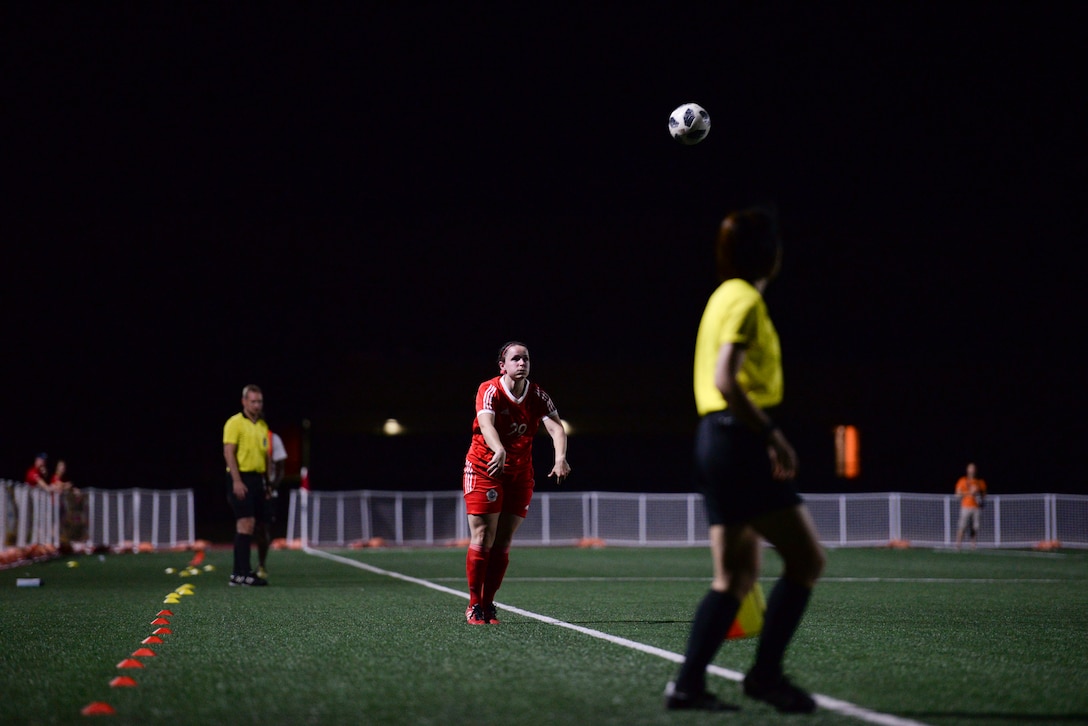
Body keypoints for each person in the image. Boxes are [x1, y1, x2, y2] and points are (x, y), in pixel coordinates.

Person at [665, 208, 826, 714]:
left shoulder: (720, 297)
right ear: (768, 254)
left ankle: (688, 687)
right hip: (738, 439)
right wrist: (773, 434)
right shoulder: (747, 299)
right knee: (806, 560)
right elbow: (726, 378)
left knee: (735, 577)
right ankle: (765, 676)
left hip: (714, 439)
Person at [462, 341, 570, 625]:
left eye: (526, 359)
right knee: (484, 535)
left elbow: (557, 427)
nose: (522, 363)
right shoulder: (490, 390)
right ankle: (474, 605)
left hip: (519, 473)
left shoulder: (537, 395)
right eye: (516, 359)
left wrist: (560, 458)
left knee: (504, 540)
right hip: (485, 467)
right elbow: (485, 424)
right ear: (503, 365)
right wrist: (498, 449)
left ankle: (488, 604)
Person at [223, 384, 271, 587]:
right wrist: (236, 480)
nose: (257, 405)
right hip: (240, 478)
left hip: (257, 480)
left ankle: (239, 574)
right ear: (244, 402)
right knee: (245, 524)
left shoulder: (262, 426)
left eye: (259, 401)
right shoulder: (235, 422)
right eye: (253, 401)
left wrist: (267, 483)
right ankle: (242, 573)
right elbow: (228, 452)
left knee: (255, 526)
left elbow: (265, 458)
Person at [255, 430, 287, 580]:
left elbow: (280, 468)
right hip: (248, 488)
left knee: (263, 528)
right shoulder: (242, 433)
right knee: (245, 527)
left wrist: (271, 487)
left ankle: (261, 564)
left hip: (267, 492)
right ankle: (241, 568)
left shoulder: (272, 438)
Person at [954, 462, 987, 550]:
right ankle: (958, 544)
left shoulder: (980, 482)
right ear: (967, 470)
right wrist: (969, 492)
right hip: (965, 506)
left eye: (973, 468)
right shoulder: (962, 480)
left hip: (976, 508)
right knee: (962, 526)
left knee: (975, 527)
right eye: (970, 468)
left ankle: (973, 545)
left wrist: (977, 493)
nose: (972, 470)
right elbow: (957, 494)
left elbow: (984, 495)